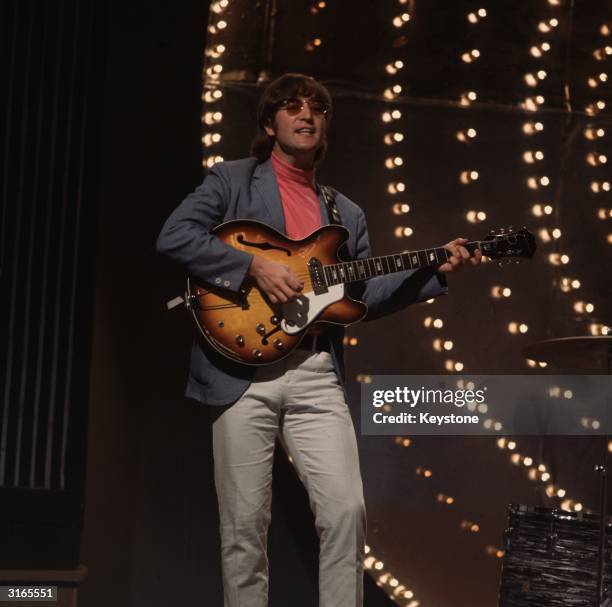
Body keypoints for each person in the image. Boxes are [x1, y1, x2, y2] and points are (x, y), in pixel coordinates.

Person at [156, 73, 481, 607]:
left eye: (317, 109)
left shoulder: (343, 213)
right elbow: (174, 235)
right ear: (270, 122)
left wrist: (431, 268)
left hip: (315, 374)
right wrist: (252, 266)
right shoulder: (232, 179)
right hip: (241, 377)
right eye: (291, 106)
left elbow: (361, 299)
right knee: (244, 531)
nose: (306, 115)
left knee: (346, 512)